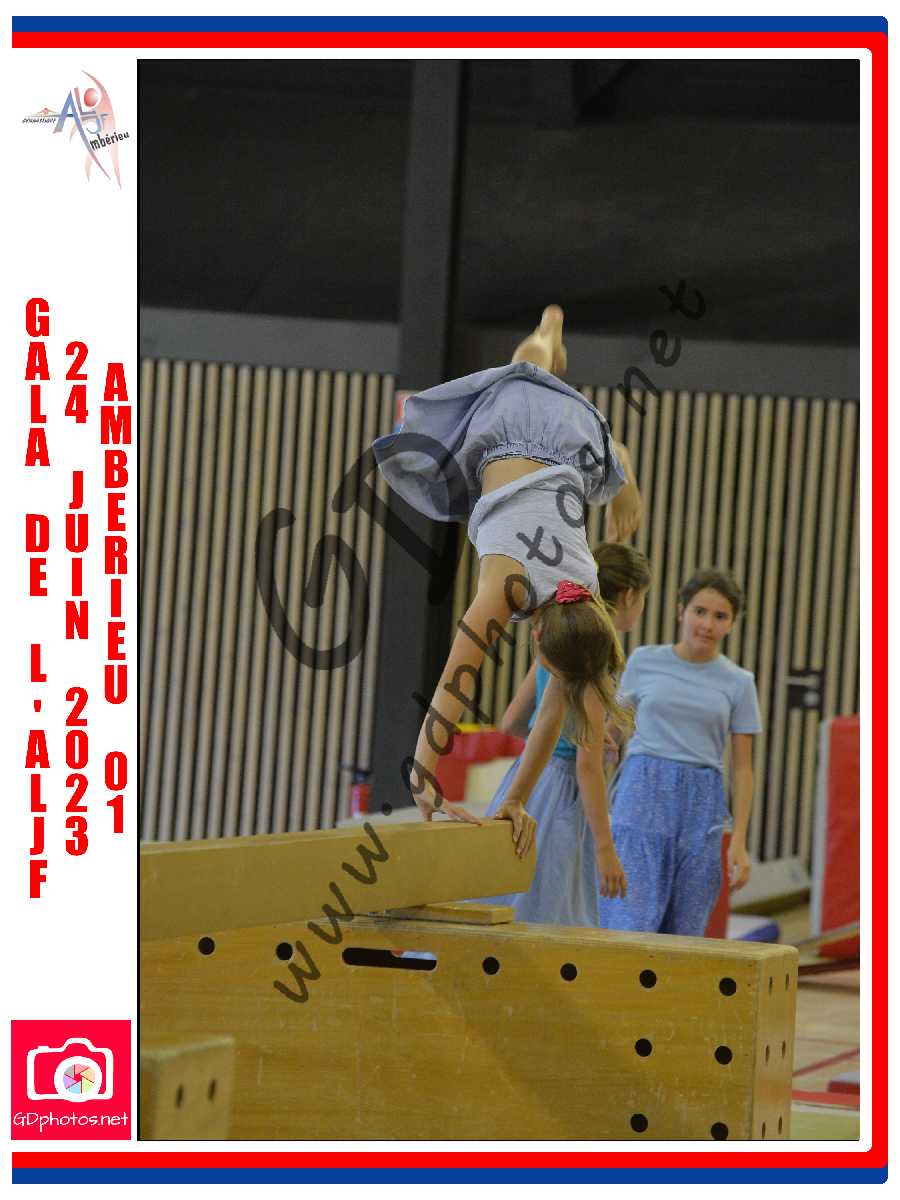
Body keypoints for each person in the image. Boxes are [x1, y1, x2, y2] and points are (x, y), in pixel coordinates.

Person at [373, 306, 643, 850]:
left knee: (535, 371)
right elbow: (454, 683)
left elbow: (551, 714)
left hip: (573, 442)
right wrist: (422, 773)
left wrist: (515, 798)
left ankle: (614, 453)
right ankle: (545, 339)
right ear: (537, 637)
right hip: (511, 430)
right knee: (523, 369)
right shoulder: (505, 589)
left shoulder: (587, 592)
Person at [477, 543, 652, 923]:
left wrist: (566, 735)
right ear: (628, 596)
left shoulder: (556, 634)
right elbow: (587, 767)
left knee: (502, 894)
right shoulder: (594, 654)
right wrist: (606, 849)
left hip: (524, 779)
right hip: (563, 791)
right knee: (551, 908)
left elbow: (512, 722)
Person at [598, 569, 761, 936]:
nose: (707, 624)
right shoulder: (643, 660)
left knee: (687, 926)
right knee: (629, 916)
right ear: (680, 611)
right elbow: (614, 730)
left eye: (720, 616)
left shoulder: (740, 682)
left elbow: (743, 770)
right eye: (699, 611)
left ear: (732, 624)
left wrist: (738, 841)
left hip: (702, 802)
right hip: (642, 790)